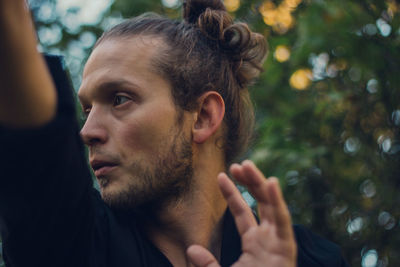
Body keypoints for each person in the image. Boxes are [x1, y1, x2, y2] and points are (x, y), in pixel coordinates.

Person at [0, 0, 349, 266]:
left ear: (202, 116)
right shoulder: (76, 242)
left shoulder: (308, 259)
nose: (86, 131)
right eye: (87, 110)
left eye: (119, 99)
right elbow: (35, 140)